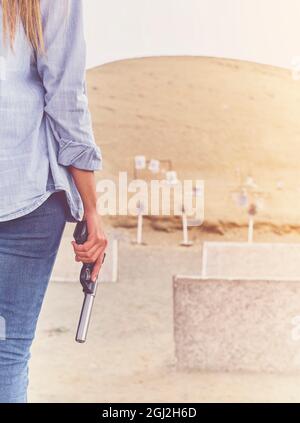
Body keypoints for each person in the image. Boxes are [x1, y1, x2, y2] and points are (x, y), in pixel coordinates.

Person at [0, 0, 107, 403]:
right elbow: (66, 98)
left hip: (26, 200)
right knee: (6, 353)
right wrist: (91, 209)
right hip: (24, 192)